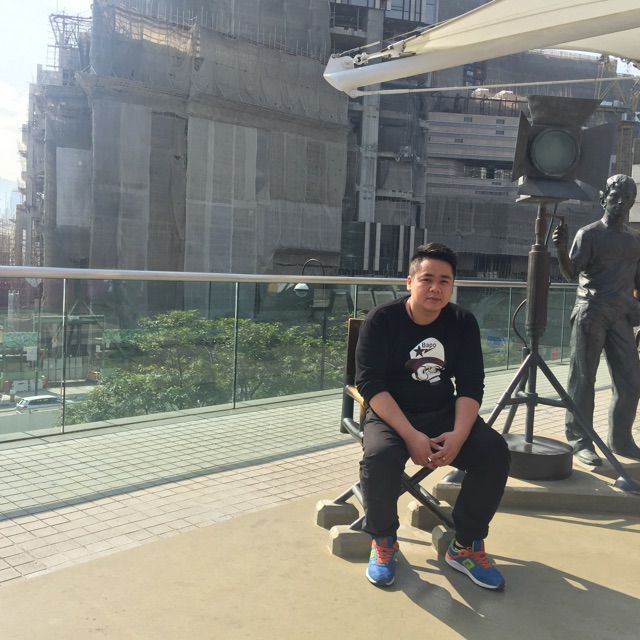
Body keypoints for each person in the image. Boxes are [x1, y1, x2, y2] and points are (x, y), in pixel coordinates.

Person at [355, 243, 510, 590]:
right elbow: (370, 383)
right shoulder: (382, 320)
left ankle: (465, 546)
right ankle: (383, 541)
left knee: (493, 452)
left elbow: (471, 384)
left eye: (444, 281)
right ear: (410, 282)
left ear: (452, 286)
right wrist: (410, 435)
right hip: (391, 415)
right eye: (427, 279)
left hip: (443, 412)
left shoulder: (462, 322)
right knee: (380, 457)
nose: (435, 288)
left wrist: (458, 434)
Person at [552, 174, 640, 466]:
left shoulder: (634, 240)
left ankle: (621, 439)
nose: (621, 203)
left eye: (628, 199)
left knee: (631, 381)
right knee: (583, 379)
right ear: (603, 199)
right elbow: (570, 273)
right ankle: (580, 440)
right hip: (591, 311)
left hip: (621, 315)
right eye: (616, 197)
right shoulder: (588, 234)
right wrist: (561, 249)